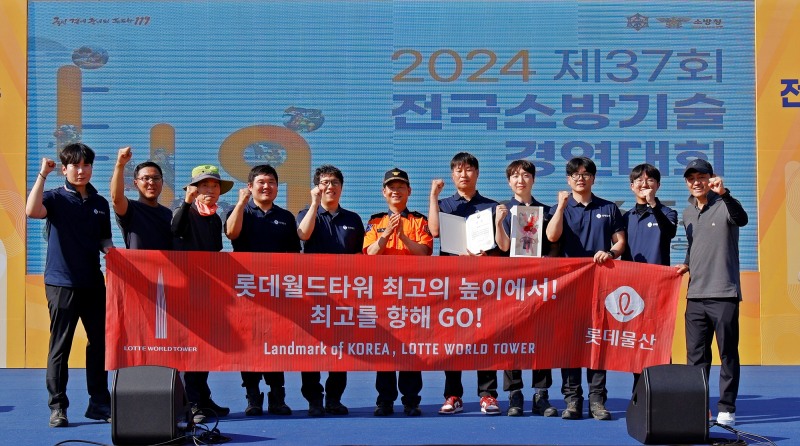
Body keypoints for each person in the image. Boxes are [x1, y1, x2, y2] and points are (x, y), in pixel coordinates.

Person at [25, 143, 113, 428]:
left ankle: (99, 403)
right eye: (75, 165)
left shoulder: (100, 203)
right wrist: (42, 175)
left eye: (86, 165)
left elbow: (105, 242)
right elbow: (31, 211)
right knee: (60, 346)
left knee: (99, 344)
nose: (81, 170)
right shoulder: (54, 197)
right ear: (65, 169)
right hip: (61, 283)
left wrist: (117, 257)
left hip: (92, 283)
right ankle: (58, 406)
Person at [546, 156, 626, 421]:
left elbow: (620, 242)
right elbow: (552, 237)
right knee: (570, 344)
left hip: (600, 284)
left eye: (586, 174)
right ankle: (572, 400)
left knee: (596, 342)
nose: (580, 178)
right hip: (569, 286)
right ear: (568, 180)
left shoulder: (608, 208)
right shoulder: (560, 207)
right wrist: (560, 207)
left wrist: (611, 253)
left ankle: (597, 400)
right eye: (575, 175)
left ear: (593, 178)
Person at [675, 158, 747, 427]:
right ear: (687, 183)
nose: (696, 182)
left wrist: (725, 194)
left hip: (724, 293)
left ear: (711, 178)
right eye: (691, 178)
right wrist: (686, 263)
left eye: (701, 177)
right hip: (695, 295)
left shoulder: (725, 205)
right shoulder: (687, 212)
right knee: (696, 356)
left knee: (727, 352)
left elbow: (742, 219)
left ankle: (727, 407)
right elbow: (694, 246)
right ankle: (698, 407)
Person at [428, 152, 501, 415]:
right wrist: (434, 197)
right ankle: (453, 395)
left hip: (483, 283)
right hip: (453, 283)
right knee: (453, 340)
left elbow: (499, 247)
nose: (464, 174)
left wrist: (486, 253)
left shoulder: (491, 206)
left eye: (469, 170)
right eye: (458, 170)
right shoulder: (445, 204)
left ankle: (488, 396)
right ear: (452, 175)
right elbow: (434, 232)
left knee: (486, 337)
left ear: (477, 173)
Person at [225, 164, 299, 417]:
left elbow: (294, 256)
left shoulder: (286, 217)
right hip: (246, 292)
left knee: (274, 345)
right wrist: (240, 204)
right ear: (250, 186)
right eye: (261, 182)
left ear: (277, 187)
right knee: (249, 346)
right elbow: (231, 233)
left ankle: (278, 398)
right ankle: (253, 398)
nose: (266, 186)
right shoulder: (240, 212)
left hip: (276, 293)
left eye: (271, 182)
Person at [296, 165, 365, 417]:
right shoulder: (306, 213)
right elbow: (303, 234)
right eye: (325, 182)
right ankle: (314, 399)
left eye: (335, 182)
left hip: (344, 296)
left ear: (341, 187)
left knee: (340, 349)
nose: (330, 187)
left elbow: (360, 255)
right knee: (312, 350)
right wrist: (314, 204)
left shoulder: (353, 219)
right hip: (313, 296)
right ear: (317, 186)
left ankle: (334, 398)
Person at [364, 168, 433, 416]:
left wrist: (402, 235)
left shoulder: (419, 220)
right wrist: (386, 236)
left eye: (401, 186)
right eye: (391, 187)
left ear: (409, 191)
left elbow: (425, 253)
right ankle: (384, 400)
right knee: (385, 348)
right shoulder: (375, 221)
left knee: (410, 349)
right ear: (384, 192)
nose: (396, 191)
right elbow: (370, 254)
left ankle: (411, 400)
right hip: (384, 295)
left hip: (412, 295)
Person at [493, 159, 558, 417]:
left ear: (533, 179)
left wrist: (544, 264)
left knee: (540, 339)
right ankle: (514, 394)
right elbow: (503, 247)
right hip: (510, 286)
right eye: (515, 176)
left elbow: (554, 246)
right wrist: (499, 223)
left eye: (525, 175)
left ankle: (541, 394)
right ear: (509, 181)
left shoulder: (546, 211)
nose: (521, 180)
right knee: (512, 339)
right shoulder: (501, 209)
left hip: (539, 285)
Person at [172, 164, 234, 422]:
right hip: (186, 291)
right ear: (193, 189)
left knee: (204, 349)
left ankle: (204, 398)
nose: (210, 190)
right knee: (189, 350)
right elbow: (174, 230)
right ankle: (192, 403)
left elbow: (215, 254)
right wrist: (186, 204)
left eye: (214, 185)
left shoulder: (215, 217)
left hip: (209, 291)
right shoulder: (183, 211)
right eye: (204, 185)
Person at [621, 163, 678, 391]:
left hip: (659, 287)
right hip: (632, 288)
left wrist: (653, 204)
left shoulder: (667, 213)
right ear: (631, 186)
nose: (644, 185)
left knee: (659, 339)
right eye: (639, 181)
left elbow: (669, 232)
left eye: (650, 180)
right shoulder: (625, 217)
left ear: (658, 185)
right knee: (636, 340)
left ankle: (665, 389)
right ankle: (640, 389)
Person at [110, 146, 173, 250]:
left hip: (166, 266)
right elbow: (116, 199)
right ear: (136, 183)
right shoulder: (130, 209)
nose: (151, 183)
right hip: (138, 266)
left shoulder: (169, 214)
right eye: (145, 178)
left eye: (156, 178)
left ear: (162, 182)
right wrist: (120, 165)